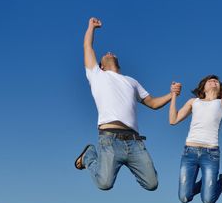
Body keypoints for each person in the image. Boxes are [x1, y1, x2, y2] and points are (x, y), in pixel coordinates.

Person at [75, 17, 181, 191]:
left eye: (112, 53)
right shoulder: (96, 75)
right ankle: (89, 156)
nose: (109, 51)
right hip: (109, 139)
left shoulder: (132, 81)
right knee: (104, 183)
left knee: (152, 183)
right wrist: (91, 27)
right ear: (100, 65)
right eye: (106, 54)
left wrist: (171, 94)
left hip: (134, 142)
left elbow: (153, 103)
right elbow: (88, 47)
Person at [169, 70, 222, 203]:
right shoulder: (194, 102)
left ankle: (221, 183)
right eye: (209, 80)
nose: (213, 81)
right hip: (190, 153)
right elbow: (173, 120)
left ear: (220, 88)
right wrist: (174, 95)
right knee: (184, 197)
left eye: (216, 81)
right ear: (203, 87)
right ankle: (205, 184)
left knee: (208, 200)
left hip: (211, 155)